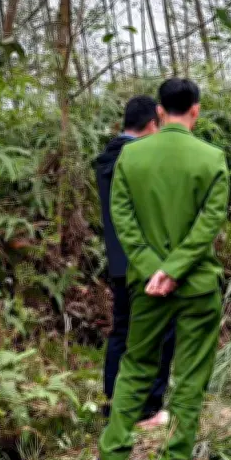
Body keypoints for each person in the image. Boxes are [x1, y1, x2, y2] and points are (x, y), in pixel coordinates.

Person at [98, 79, 229, 460]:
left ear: (159, 110)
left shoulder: (130, 157)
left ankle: (112, 454)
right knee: (190, 376)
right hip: (198, 285)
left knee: (136, 366)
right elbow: (209, 222)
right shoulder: (212, 158)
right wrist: (175, 269)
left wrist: (153, 268)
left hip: (147, 286)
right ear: (196, 110)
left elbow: (121, 216)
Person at [93, 96, 176, 430]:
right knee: (161, 330)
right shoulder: (139, 159)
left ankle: (115, 402)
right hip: (145, 260)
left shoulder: (107, 159)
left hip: (118, 261)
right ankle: (148, 410)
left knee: (123, 331)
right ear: (153, 124)